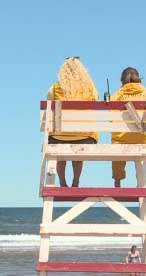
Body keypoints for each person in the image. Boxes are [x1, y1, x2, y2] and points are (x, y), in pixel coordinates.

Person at [46, 56, 99, 187]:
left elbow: (48, 107)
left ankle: (62, 182)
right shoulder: (90, 88)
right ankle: (76, 181)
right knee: (78, 147)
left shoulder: (54, 88)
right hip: (85, 137)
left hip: (58, 136)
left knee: (61, 150)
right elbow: (96, 101)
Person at [110, 67, 146, 187]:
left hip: (121, 140)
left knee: (117, 142)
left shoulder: (116, 95)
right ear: (139, 78)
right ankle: (142, 181)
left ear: (122, 80)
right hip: (143, 139)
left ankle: (117, 181)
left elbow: (110, 112)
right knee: (145, 143)